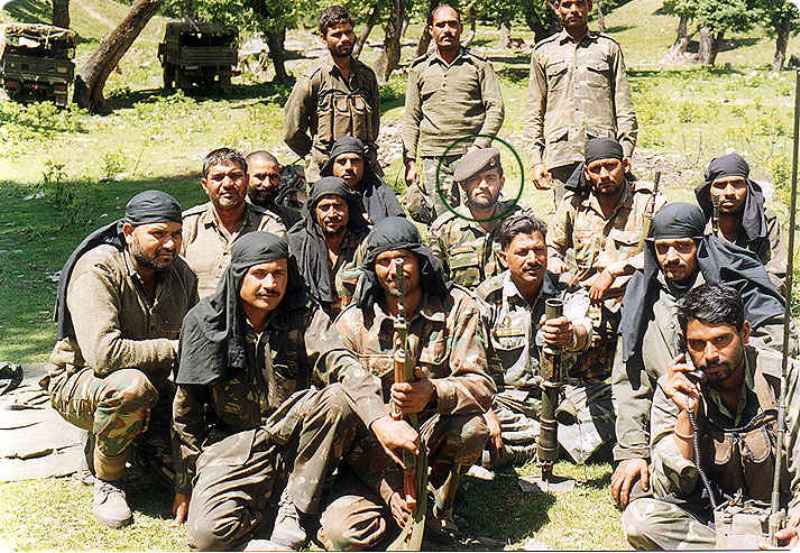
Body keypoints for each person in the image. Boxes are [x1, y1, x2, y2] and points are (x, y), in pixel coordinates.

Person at [172, 231, 375, 550]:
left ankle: (292, 508)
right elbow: (186, 414)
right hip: (235, 446)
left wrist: (378, 417)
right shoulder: (204, 323)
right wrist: (186, 484)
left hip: (299, 439)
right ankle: (268, 516)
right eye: (260, 274)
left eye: (279, 273)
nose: (271, 284)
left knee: (338, 397)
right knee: (206, 537)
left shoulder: (304, 314)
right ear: (238, 275)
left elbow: (337, 359)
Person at [319, 217, 495, 549]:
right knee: (345, 536)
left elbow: (482, 386)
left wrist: (433, 393)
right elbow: (339, 414)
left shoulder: (457, 308)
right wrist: (387, 490)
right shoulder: (354, 323)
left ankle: (440, 504)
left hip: (430, 438)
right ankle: (396, 505)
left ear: (420, 261)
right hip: (371, 452)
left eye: (402, 259)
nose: (394, 271)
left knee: (472, 428)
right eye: (384, 262)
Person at [610, 202, 795, 509]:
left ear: (701, 245)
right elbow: (630, 381)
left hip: (745, 414)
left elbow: (775, 348)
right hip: (673, 414)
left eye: (683, 246)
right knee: (641, 500)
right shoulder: (642, 297)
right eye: (662, 248)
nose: (671, 257)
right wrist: (633, 452)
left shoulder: (733, 283)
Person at [47, 191, 198, 529]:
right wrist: (175, 349)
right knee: (131, 388)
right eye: (158, 234)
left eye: (176, 234)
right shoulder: (98, 269)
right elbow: (104, 355)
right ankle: (108, 481)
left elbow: (195, 342)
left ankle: (138, 444)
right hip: (82, 382)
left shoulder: (182, 274)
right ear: (129, 232)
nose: (170, 244)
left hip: (156, 384)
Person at [622, 284, 800, 550]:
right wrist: (686, 414)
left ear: (745, 333)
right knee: (640, 520)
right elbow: (668, 489)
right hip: (713, 523)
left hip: (783, 519)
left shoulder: (784, 378)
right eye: (697, 344)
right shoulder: (675, 386)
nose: (710, 355)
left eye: (721, 340)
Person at [547, 138, 665, 419]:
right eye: (596, 169)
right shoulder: (574, 204)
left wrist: (614, 271)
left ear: (625, 165)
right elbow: (551, 245)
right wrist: (556, 264)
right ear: (586, 172)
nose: (604, 175)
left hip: (635, 301)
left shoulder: (649, 203)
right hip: (587, 304)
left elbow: (664, 250)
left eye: (610, 166)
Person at [477, 213, 597, 467]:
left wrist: (570, 335)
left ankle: (520, 450)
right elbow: (472, 364)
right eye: (522, 252)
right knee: (471, 421)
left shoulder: (566, 289)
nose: (533, 259)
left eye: (539, 250)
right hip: (509, 402)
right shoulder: (487, 298)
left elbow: (584, 328)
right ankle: (563, 442)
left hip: (563, 400)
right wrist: (487, 411)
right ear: (504, 257)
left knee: (617, 401)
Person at [524, 0, 637, 205]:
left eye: (580, 3)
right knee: (565, 216)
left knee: (609, 216)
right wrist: (536, 161)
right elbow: (534, 111)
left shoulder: (608, 48)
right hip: (562, 153)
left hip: (604, 155)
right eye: (567, 4)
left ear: (589, 6)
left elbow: (624, 105)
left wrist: (625, 151)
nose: (574, 10)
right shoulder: (543, 51)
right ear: (557, 8)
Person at [402, 3, 505, 223]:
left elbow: (495, 109)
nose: (447, 30)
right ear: (431, 30)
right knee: (442, 222)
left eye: (452, 24)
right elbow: (411, 118)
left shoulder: (478, 65)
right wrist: (410, 161)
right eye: (440, 25)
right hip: (434, 159)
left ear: (461, 28)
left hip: (472, 155)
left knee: (481, 216)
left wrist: (479, 146)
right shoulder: (419, 69)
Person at [284, 5, 380, 183]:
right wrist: (316, 156)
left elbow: (374, 125)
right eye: (337, 34)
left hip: (362, 170)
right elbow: (292, 132)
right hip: (325, 174)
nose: (345, 39)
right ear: (323, 38)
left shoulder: (366, 76)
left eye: (348, 32)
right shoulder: (313, 79)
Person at [182, 148, 286, 298]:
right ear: (205, 185)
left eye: (235, 176)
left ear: (247, 180)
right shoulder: (188, 225)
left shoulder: (268, 225)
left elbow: (279, 278)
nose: (227, 184)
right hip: (195, 311)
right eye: (218, 178)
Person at [430, 147, 528, 290]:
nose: (483, 185)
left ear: (501, 182)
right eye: (475, 179)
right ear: (464, 185)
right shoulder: (444, 230)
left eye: (490, 178)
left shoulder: (519, 219)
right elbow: (435, 285)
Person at [695, 152, 788, 293]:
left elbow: (779, 273)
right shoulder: (698, 224)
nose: (729, 192)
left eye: (737, 184)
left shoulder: (766, 221)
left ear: (748, 188)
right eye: (720, 185)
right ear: (708, 192)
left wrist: (747, 296)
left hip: (756, 297)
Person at [288, 176, 370, 315]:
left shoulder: (366, 241)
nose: (332, 214)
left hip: (355, 318)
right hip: (310, 318)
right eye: (324, 208)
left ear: (349, 209)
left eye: (338, 206)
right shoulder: (297, 244)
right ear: (314, 211)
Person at [319, 136, 405, 223]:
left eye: (355, 161)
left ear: (364, 165)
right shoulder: (320, 196)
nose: (348, 167)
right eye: (342, 162)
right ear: (332, 167)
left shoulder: (382, 193)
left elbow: (400, 226)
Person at [245, 150, 303, 229]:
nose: (267, 184)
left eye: (273, 177)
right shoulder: (233, 215)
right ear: (245, 177)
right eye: (260, 177)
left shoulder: (291, 218)